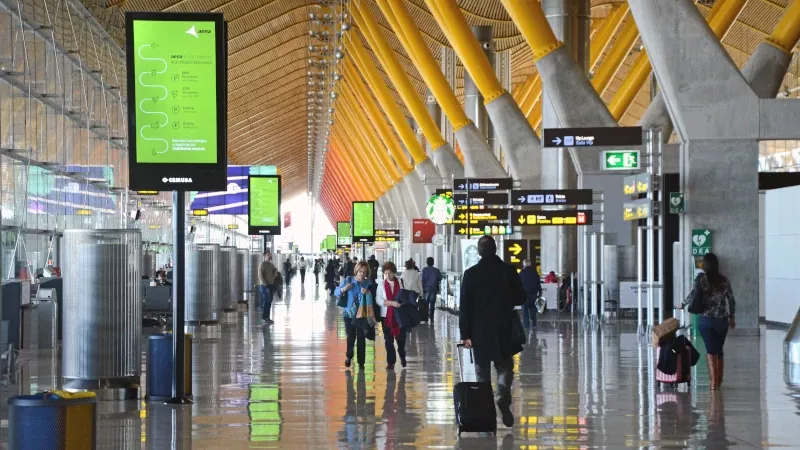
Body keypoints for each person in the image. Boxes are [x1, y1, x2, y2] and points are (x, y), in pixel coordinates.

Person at [459, 235, 525, 428]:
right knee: (504, 367)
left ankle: (487, 414)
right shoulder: (508, 271)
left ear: (479, 252)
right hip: (504, 329)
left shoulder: (471, 274)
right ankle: (502, 394)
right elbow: (521, 297)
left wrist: (466, 335)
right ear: (496, 250)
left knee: (482, 374)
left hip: (480, 332)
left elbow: (465, 307)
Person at [681, 253, 735, 390]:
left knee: (710, 350)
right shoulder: (724, 280)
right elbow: (731, 300)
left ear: (705, 265)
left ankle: (713, 383)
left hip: (705, 320)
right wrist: (732, 316)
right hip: (721, 321)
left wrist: (681, 304)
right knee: (719, 349)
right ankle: (719, 380)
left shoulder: (701, 280)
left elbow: (692, 296)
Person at [335, 261, 374, 369]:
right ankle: (349, 356)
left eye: (364, 272)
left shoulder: (368, 283)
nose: (362, 274)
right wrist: (344, 288)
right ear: (356, 270)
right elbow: (336, 291)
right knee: (351, 336)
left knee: (361, 338)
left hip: (362, 314)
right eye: (360, 271)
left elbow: (372, 297)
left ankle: (361, 362)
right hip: (349, 314)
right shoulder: (348, 280)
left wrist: (368, 292)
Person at [375, 261, 406, 370]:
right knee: (388, 340)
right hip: (386, 316)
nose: (388, 275)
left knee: (400, 339)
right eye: (386, 273)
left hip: (399, 315)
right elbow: (378, 300)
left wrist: (401, 303)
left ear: (394, 273)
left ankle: (402, 355)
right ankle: (391, 362)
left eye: (390, 273)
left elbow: (405, 296)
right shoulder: (381, 284)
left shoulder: (401, 282)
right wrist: (392, 303)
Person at [519, 259, 542, 329]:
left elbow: (518, 284)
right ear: (530, 264)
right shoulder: (535, 272)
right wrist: (540, 292)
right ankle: (534, 324)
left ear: (524, 264)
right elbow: (538, 283)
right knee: (533, 309)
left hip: (524, 294)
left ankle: (526, 326)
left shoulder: (521, 273)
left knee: (525, 310)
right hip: (533, 294)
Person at [258, 251, 279, 325]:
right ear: (265, 256)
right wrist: (266, 285)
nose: (270, 255)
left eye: (270, 254)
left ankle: (267, 318)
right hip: (265, 286)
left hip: (271, 285)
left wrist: (276, 272)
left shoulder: (271, 265)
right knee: (266, 301)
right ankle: (264, 318)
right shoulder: (262, 264)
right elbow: (260, 275)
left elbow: (274, 276)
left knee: (269, 302)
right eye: (268, 254)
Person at [421, 257, 443, 323]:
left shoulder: (424, 270)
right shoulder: (436, 270)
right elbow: (440, 278)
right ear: (433, 262)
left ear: (427, 262)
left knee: (426, 303)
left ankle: (426, 317)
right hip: (433, 289)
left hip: (426, 289)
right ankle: (432, 317)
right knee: (432, 303)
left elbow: (422, 279)